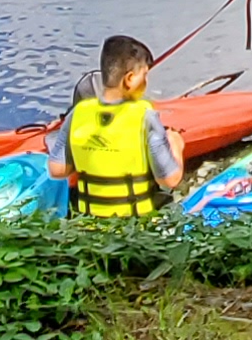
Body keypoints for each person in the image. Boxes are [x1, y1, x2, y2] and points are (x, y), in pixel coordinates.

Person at [45, 34, 185, 218]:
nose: (146, 82)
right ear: (130, 79)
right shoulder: (145, 117)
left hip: (90, 220)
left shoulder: (77, 114)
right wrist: (176, 146)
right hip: (133, 225)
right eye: (144, 75)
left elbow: (57, 170)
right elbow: (170, 179)